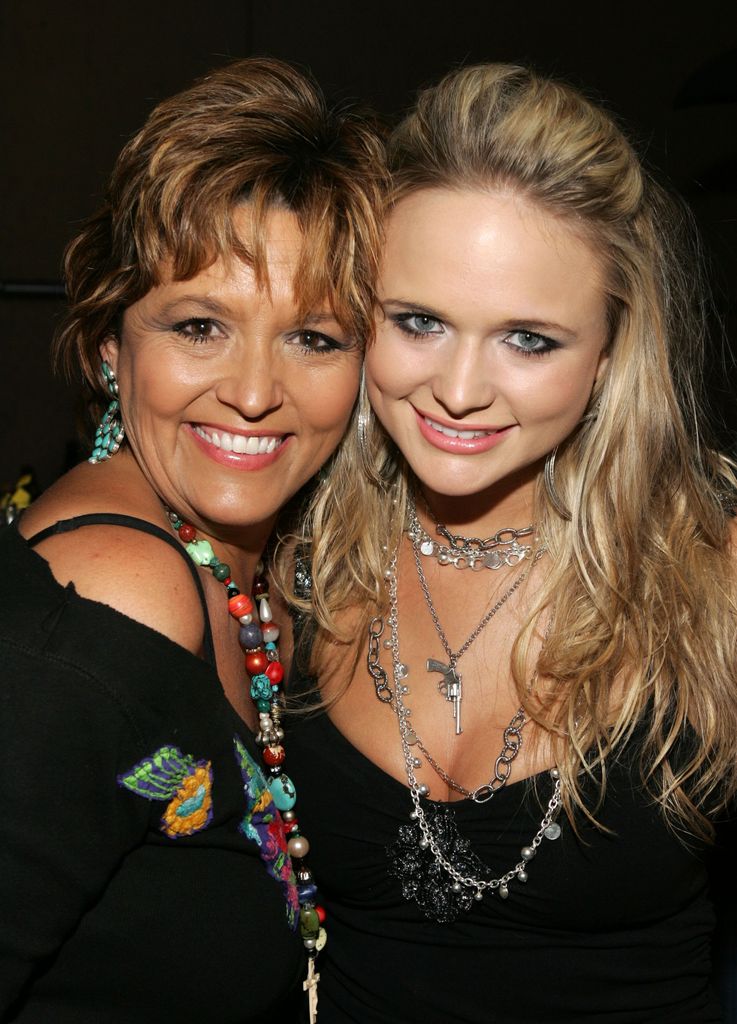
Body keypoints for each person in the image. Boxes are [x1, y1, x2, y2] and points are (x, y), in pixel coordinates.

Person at [285, 63, 737, 1022]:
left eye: (527, 339)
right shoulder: (287, 561)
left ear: (611, 353)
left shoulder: (714, 577)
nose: (458, 388)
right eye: (417, 322)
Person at [0, 57, 385, 1022]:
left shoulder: (262, 576)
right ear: (107, 342)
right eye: (200, 325)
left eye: (315, 338)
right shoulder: (118, 589)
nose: (255, 392)